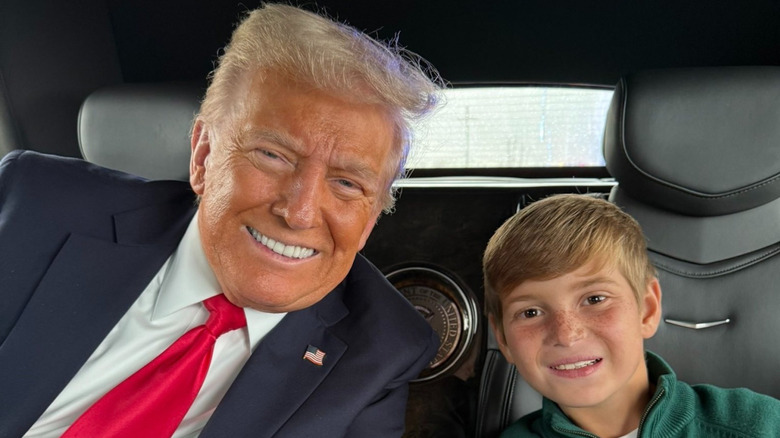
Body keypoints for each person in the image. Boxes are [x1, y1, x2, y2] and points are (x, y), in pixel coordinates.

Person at [0, 3, 444, 437]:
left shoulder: (382, 349)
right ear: (203, 155)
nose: (299, 213)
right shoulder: (33, 204)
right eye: (272, 156)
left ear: (369, 221)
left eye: (348, 184)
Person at [482, 194, 780, 438]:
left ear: (647, 310)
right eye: (530, 312)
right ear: (503, 339)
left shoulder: (758, 426)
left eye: (594, 299)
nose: (565, 334)